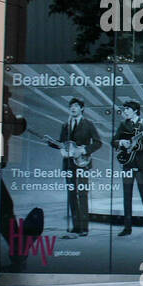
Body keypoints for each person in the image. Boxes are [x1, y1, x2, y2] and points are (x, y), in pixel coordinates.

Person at [55, 97, 103, 239]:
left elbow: (98, 142)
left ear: (82, 108)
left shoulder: (88, 124)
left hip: (82, 162)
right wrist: (55, 146)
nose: (73, 108)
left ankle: (84, 228)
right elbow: (62, 143)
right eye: (71, 106)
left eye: (76, 106)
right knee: (71, 195)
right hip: (69, 163)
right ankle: (76, 226)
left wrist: (84, 150)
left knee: (82, 194)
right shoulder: (66, 125)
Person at [113, 101, 143, 236]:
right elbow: (113, 141)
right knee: (127, 196)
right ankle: (127, 227)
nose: (125, 111)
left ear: (136, 110)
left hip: (142, 165)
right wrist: (121, 142)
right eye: (124, 109)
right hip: (128, 164)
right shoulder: (123, 124)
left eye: (127, 109)